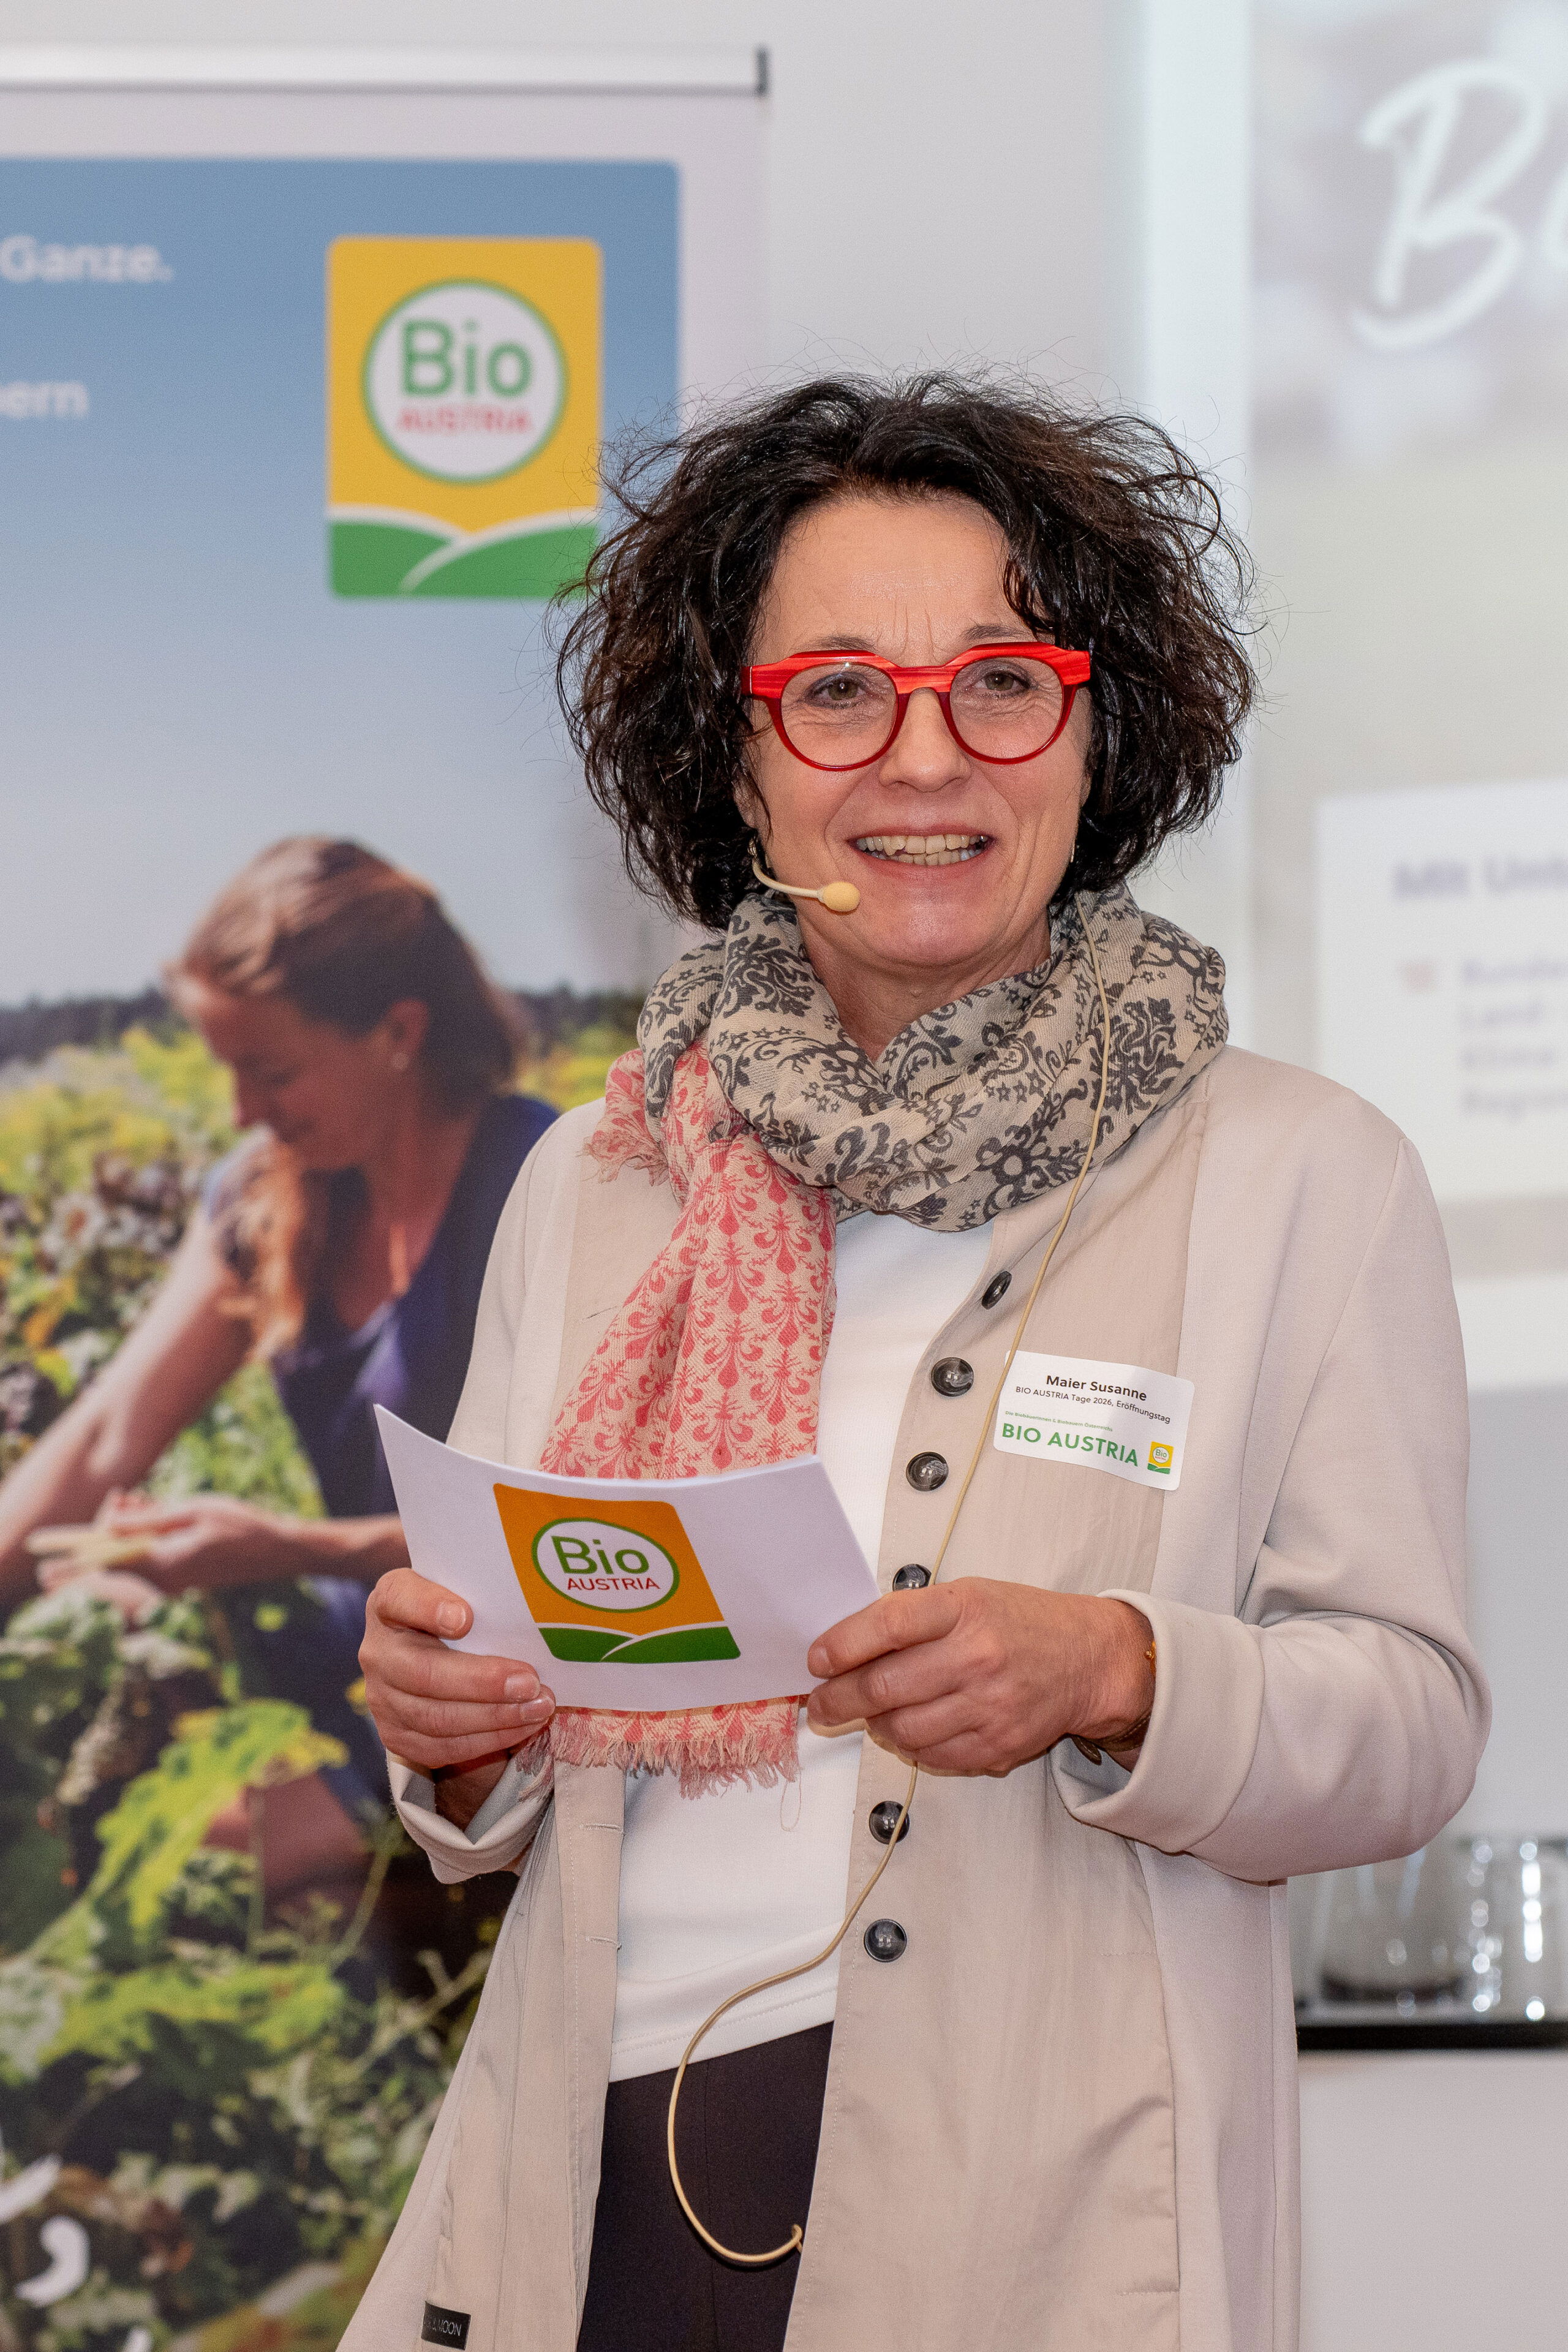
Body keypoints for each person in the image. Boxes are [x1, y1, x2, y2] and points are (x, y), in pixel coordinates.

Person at [348, 377, 1488, 2352]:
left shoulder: (1304, 1175)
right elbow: (505, 1719)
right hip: (575, 2194)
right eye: (841, 694)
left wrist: (1121, 1671)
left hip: (1035, 2222)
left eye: (1004, 683)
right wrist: (449, 1722)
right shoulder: (602, 1174)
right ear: (740, 760)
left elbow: (1409, 1721)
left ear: (1095, 735)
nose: (927, 755)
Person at [0, 837, 554, 1888]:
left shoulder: (541, 1184)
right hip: (348, 1642)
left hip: (501, 1690)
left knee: (170, 1866)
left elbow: (569, 1539)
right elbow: (108, 1436)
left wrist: (285, 1546)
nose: (242, 1113)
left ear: (399, 1033)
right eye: (230, 1070)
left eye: (272, 1070)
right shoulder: (272, 1193)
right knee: (102, 1624)